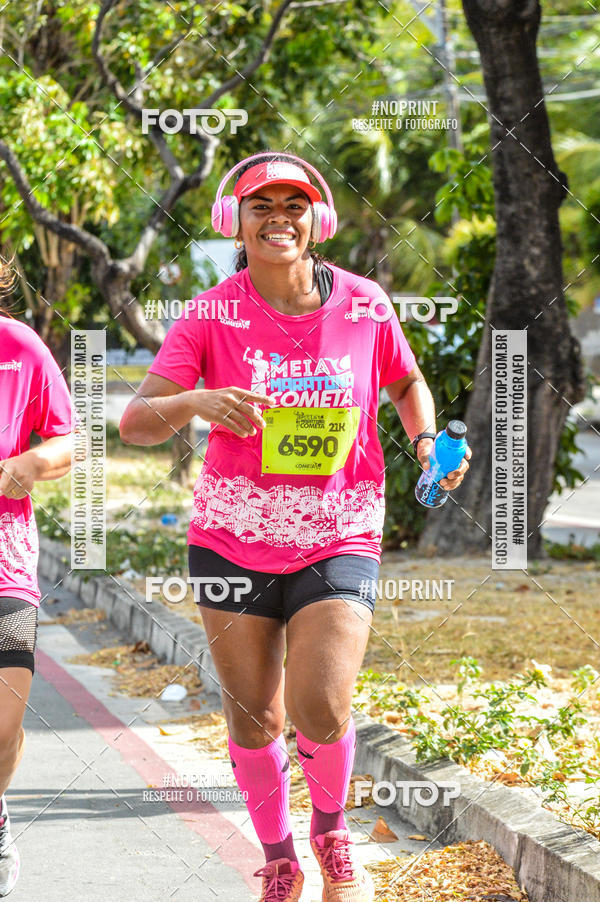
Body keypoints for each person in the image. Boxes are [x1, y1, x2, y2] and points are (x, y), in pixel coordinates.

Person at [119, 151, 471, 902]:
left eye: (295, 205)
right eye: (262, 205)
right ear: (234, 220)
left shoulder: (365, 303)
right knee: (255, 718)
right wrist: (194, 402)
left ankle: (331, 830)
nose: (279, 217)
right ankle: (279, 856)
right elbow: (137, 423)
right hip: (231, 537)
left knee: (322, 704)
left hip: (339, 530)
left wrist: (423, 439)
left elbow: (405, 380)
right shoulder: (210, 313)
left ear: (318, 220)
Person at [0, 261, 73, 897]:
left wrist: (30, 461)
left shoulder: (19, 348)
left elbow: (71, 442)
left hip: (6, 561)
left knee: (2, 726)